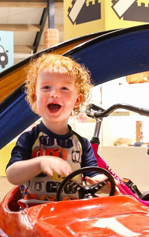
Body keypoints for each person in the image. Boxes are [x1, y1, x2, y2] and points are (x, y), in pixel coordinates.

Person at [6, 53, 99, 202]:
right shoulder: (29, 139)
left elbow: (93, 175)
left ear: (77, 100)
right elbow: (12, 175)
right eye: (46, 87)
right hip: (35, 213)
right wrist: (40, 162)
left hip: (71, 214)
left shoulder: (82, 144)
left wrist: (102, 182)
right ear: (35, 97)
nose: (54, 94)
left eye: (64, 88)